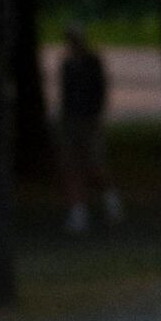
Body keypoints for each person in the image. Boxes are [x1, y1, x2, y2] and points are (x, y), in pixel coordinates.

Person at [58, 25, 121, 232]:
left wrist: (94, 115)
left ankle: (110, 201)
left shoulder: (91, 62)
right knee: (72, 166)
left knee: (95, 165)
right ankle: (79, 212)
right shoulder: (67, 64)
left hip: (89, 120)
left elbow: (99, 91)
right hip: (72, 120)